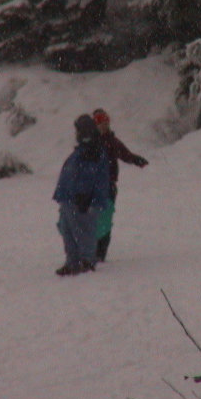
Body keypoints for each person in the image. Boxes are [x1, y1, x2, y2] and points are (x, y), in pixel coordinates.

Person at [53, 114, 110, 276]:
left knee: (84, 231)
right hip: (69, 197)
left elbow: (90, 174)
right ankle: (72, 261)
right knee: (68, 230)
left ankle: (86, 261)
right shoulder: (85, 149)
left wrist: (85, 196)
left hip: (82, 200)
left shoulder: (93, 150)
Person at [92, 108, 148, 262]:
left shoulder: (112, 141)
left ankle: (100, 253)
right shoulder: (91, 143)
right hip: (94, 187)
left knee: (106, 218)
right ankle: (92, 250)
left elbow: (125, 154)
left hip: (109, 186)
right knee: (94, 218)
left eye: (106, 123)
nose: (104, 126)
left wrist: (137, 160)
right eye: (101, 124)